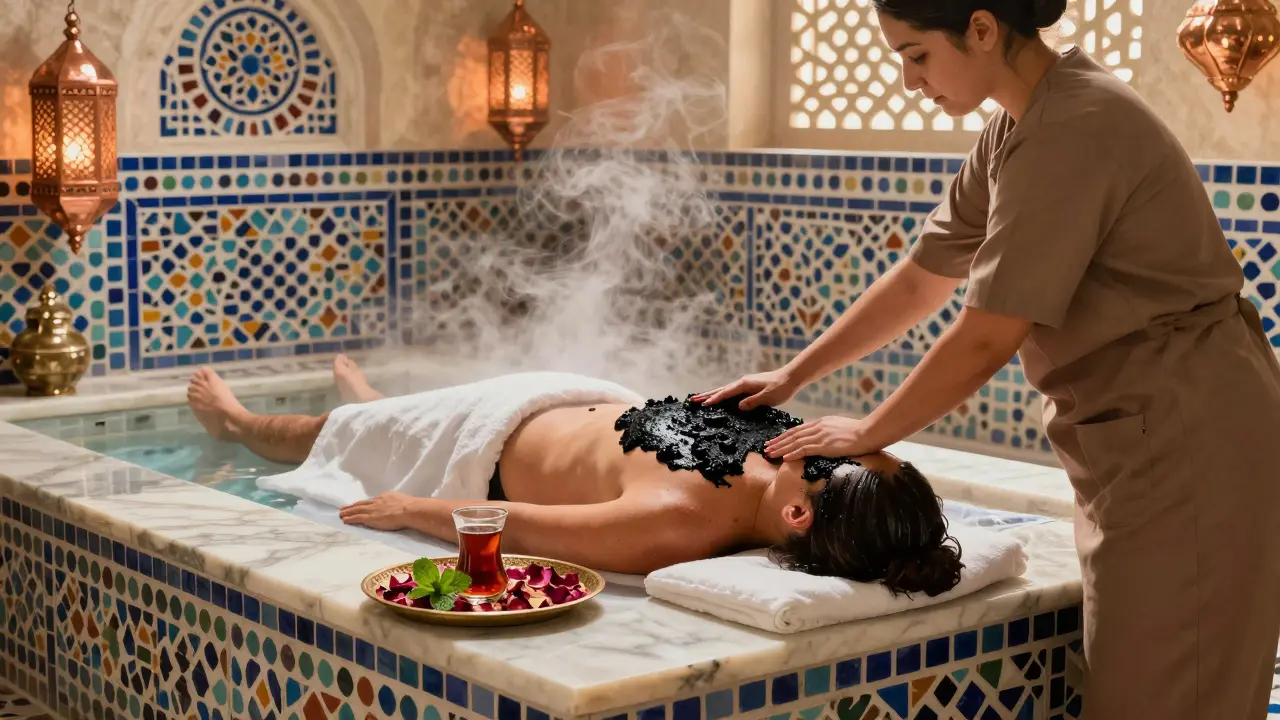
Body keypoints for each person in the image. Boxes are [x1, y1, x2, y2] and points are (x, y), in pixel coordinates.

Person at [696, 1, 1280, 717]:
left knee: (1170, 698)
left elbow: (986, 334)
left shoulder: (1075, 127)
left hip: (1192, 438)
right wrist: (795, 373)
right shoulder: (1017, 125)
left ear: (980, 28)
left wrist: (868, 431)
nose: (910, 80)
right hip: (1142, 444)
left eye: (916, 54)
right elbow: (923, 277)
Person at [186, 356, 965, 594]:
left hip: (479, 439)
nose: (838, 440)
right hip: (563, 395)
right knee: (379, 417)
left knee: (331, 436)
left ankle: (240, 423)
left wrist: (411, 507)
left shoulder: (675, 524)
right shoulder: (794, 465)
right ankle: (382, 407)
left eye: (840, 458)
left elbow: (518, 526)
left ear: (800, 517)